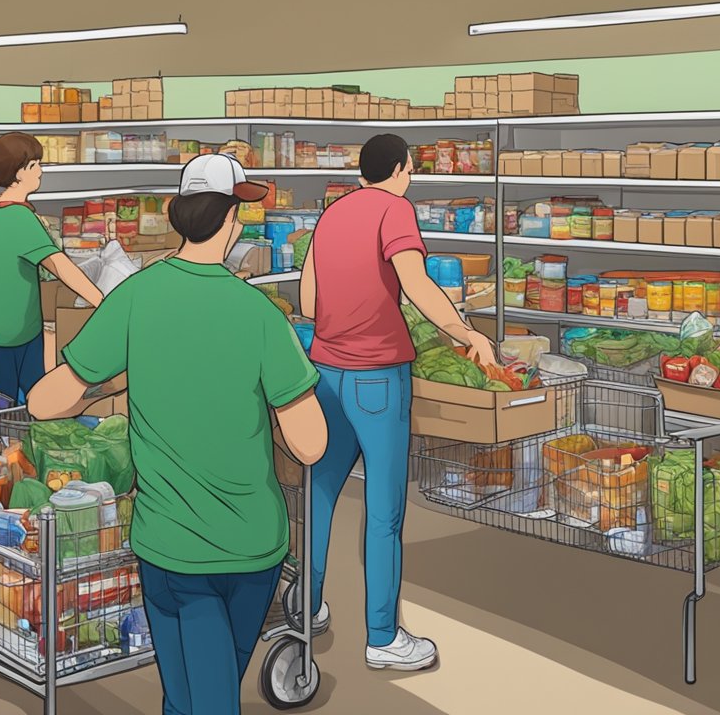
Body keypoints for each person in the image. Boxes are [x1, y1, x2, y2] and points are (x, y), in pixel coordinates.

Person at [28, 153, 328, 715]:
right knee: (210, 694)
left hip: (168, 543)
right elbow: (311, 442)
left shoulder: (135, 298)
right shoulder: (260, 314)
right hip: (251, 545)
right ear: (232, 222)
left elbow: (44, 402)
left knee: (190, 694)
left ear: (175, 216)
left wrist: (114, 380)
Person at [299, 133, 497, 671]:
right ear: (402, 168)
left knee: (319, 495)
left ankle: (306, 608)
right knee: (384, 512)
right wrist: (464, 333)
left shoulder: (331, 215)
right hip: (377, 379)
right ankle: (383, 637)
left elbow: (308, 300)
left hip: (325, 373)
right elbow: (416, 283)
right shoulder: (395, 209)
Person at [0, 132, 102, 402]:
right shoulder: (18, 218)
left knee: (18, 405)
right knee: (23, 407)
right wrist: (102, 302)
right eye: (34, 165)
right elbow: (60, 266)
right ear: (18, 173)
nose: (40, 171)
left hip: (4, 331)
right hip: (13, 338)